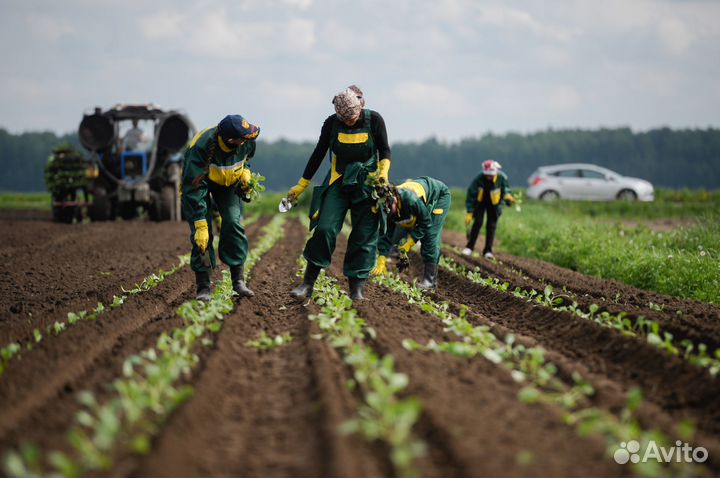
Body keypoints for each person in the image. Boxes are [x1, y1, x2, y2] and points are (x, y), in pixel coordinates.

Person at [287, 85, 392, 300]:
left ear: (360, 107)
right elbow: (318, 153)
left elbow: (385, 149)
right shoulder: (331, 123)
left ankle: (356, 289)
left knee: (363, 235)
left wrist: (383, 175)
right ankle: (307, 283)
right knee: (325, 229)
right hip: (338, 181)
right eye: (345, 120)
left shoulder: (375, 120)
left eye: (352, 119)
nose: (349, 123)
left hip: (368, 184)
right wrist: (301, 184)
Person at [181, 114, 260, 301]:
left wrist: (246, 173)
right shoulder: (201, 147)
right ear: (231, 140)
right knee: (203, 236)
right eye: (243, 137)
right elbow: (194, 189)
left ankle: (238, 281)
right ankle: (204, 285)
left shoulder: (247, 141)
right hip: (198, 187)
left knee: (233, 224)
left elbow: (246, 159)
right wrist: (200, 224)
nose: (247, 139)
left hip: (229, 185)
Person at [370, 176, 451, 289]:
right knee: (406, 226)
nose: (389, 212)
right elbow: (386, 233)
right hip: (421, 197)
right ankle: (430, 281)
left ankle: (430, 281)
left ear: (394, 200)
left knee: (430, 236)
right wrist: (382, 258)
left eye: (390, 208)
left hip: (439, 196)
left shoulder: (411, 200)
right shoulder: (388, 208)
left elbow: (425, 223)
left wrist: (410, 242)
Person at [463, 159, 515, 258]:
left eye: (490, 175)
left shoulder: (501, 177)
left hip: (494, 205)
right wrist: (470, 211)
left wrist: (508, 196)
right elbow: (471, 193)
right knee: (477, 223)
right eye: (487, 175)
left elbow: (506, 190)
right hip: (480, 203)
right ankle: (469, 247)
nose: (488, 177)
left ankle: (488, 251)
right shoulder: (479, 178)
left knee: (491, 226)